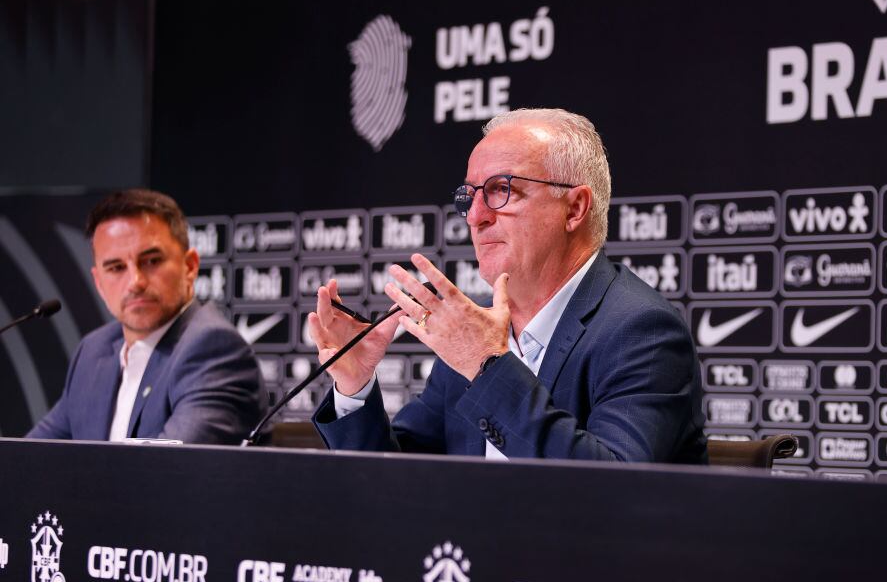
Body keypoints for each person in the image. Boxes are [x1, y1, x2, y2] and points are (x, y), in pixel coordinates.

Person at [309, 109, 706, 462]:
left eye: (501, 189)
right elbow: (396, 484)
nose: (475, 216)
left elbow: (613, 489)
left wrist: (487, 365)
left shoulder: (642, 330)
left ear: (574, 208)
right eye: (469, 196)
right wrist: (355, 387)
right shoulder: (475, 328)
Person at [27, 189, 266, 443]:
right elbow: (28, 456)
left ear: (190, 266)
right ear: (99, 283)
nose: (135, 282)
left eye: (151, 261)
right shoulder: (93, 351)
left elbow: (168, 465)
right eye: (116, 268)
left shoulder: (212, 349)